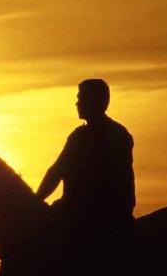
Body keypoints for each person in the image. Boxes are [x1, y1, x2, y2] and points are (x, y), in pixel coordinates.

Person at [36, 79, 135, 243]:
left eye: (80, 98)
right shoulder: (119, 133)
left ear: (93, 101)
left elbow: (57, 172)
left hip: (85, 214)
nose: (77, 103)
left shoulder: (82, 137)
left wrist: (35, 202)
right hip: (112, 212)